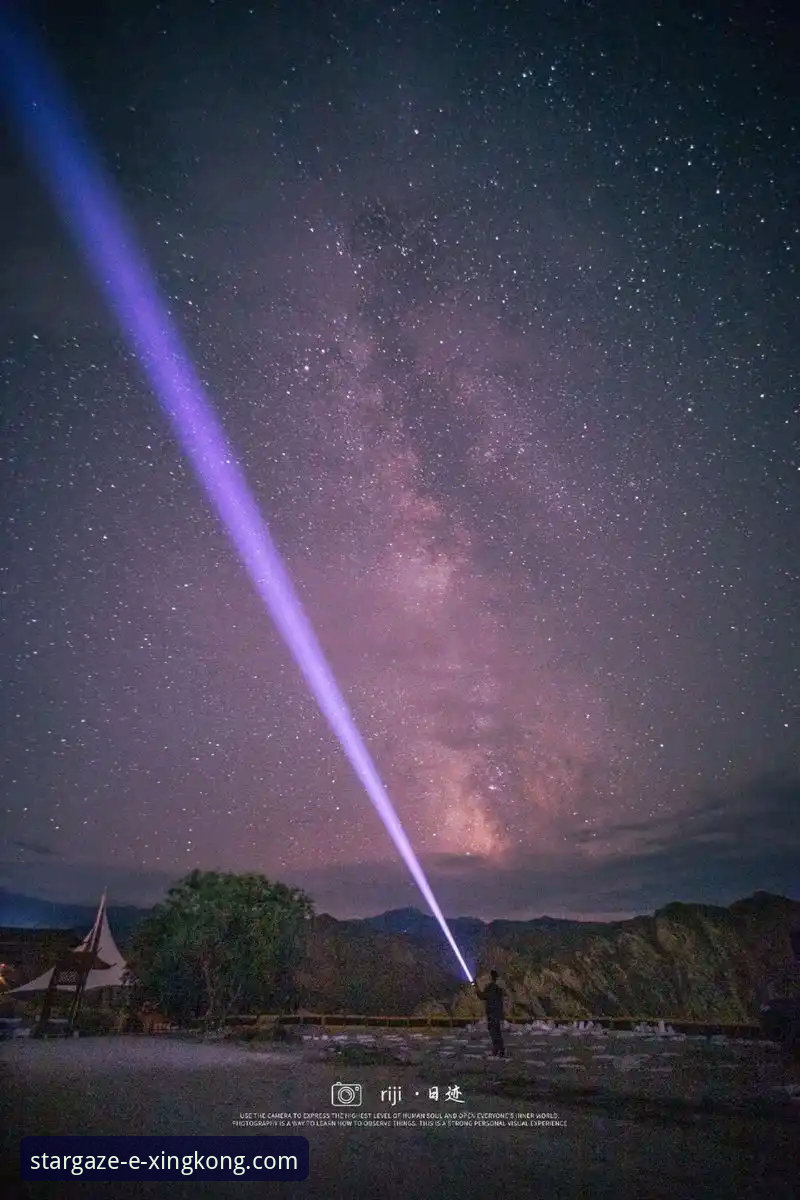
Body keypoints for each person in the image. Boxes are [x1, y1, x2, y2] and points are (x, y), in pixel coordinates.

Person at [474, 970, 505, 1057]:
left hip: (493, 1012)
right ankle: (498, 1049)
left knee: (495, 1032)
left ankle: (499, 1049)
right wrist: (476, 987)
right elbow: (483, 996)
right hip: (493, 1012)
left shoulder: (494, 987)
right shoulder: (494, 987)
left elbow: (485, 996)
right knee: (494, 1032)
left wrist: (477, 988)